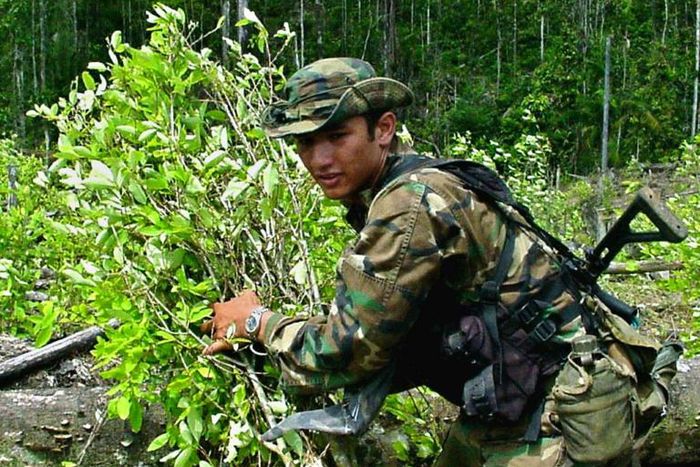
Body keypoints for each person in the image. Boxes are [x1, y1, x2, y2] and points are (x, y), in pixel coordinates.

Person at [200, 57, 667, 466]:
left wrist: (257, 322)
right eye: (304, 142)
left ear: (383, 129)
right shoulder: (411, 183)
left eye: (337, 136)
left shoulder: (411, 203)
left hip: (561, 413)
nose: (318, 159)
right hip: (520, 395)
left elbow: (349, 351)